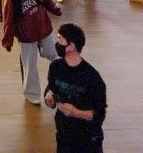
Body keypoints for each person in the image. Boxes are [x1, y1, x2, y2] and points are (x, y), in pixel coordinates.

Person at [2, 0, 61, 105]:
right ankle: (31, 94)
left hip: (43, 29)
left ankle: (59, 83)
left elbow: (46, 0)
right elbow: (8, 19)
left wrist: (55, 10)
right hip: (26, 36)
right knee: (30, 65)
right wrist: (7, 41)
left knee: (53, 53)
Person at [45, 23, 107, 153]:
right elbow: (51, 89)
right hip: (63, 135)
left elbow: (99, 115)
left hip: (87, 139)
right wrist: (49, 99)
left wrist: (76, 113)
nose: (57, 43)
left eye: (60, 39)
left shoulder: (92, 78)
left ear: (71, 46)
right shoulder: (55, 67)